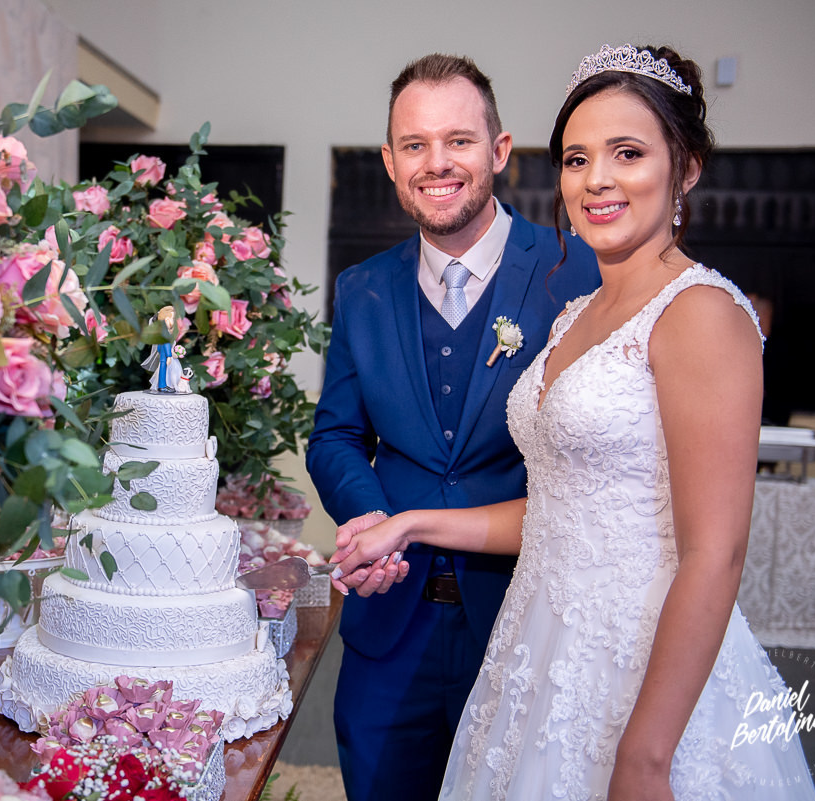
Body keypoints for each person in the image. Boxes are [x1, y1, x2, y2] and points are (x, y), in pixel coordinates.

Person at [329, 44, 815, 800]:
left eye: (628, 152)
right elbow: (562, 510)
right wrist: (407, 523)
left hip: (635, 658)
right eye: (577, 157)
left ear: (684, 166)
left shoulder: (699, 312)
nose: (597, 179)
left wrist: (647, 756)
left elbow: (714, 553)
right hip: (533, 650)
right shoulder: (574, 313)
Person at [305, 54, 600, 801]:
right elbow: (336, 434)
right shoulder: (361, 288)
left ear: (499, 151)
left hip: (526, 615)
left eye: (459, 141)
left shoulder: (577, 273)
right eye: (415, 144)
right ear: (390, 161)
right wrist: (370, 513)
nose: (437, 163)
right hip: (388, 628)